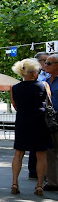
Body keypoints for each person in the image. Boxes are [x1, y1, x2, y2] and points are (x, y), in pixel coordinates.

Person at [10, 58, 51, 197]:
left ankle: (14, 182)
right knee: (41, 154)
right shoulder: (43, 85)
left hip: (22, 120)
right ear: (33, 73)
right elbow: (49, 104)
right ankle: (39, 185)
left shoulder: (14, 88)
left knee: (19, 153)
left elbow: (15, 105)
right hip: (39, 121)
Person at [28, 52, 50, 179]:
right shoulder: (36, 78)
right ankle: (34, 171)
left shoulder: (52, 75)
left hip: (49, 115)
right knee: (35, 146)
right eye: (46, 61)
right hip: (36, 115)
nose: (47, 64)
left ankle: (47, 172)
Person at [43, 54, 58, 192]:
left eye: (49, 63)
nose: (45, 65)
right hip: (50, 119)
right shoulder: (46, 80)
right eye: (45, 63)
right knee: (50, 150)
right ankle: (52, 181)